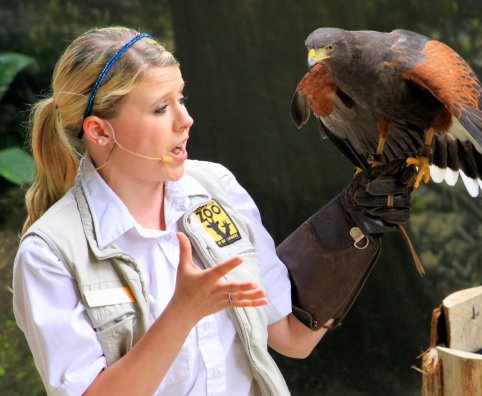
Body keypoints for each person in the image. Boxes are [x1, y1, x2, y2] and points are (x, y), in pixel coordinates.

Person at [13, 27, 414, 395]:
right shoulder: (50, 253)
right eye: (159, 109)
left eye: (181, 99)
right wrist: (182, 312)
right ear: (100, 131)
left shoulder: (215, 189)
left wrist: (354, 225)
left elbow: (292, 336)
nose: (186, 120)